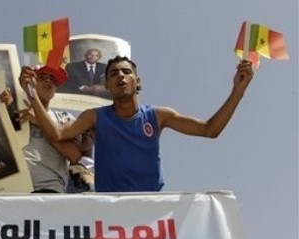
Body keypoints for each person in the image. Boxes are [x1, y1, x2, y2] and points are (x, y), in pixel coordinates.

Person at [21, 56, 254, 192]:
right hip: (110, 212)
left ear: (137, 81)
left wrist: (237, 92)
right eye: (113, 74)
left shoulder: (158, 115)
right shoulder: (94, 116)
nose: (120, 76)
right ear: (107, 86)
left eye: (126, 72)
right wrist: (32, 94)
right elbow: (57, 133)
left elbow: (209, 130)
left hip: (150, 210)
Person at [18, 65, 87, 193]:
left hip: (49, 189)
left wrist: (39, 122)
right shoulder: (17, 113)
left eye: (52, 80)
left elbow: (74, 155)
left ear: (55, 89)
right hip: (13, 191)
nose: (48, 81)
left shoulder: (65, 118)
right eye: (42, 77)